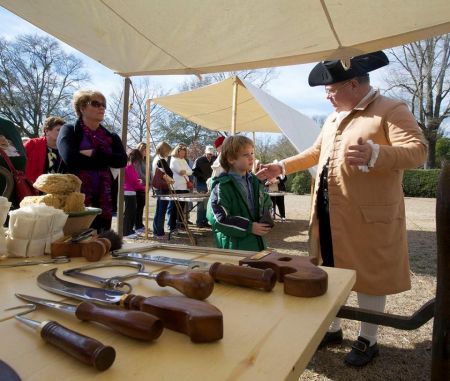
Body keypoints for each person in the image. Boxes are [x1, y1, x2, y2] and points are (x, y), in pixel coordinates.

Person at [258, 51, 427, 367]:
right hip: (329, 213)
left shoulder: (391, 110)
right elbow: (315, 152)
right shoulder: (334, 117)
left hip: (368, 217)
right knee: (328, 269)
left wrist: (377, 153)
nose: (327, 96)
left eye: (331, 90)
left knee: (369, 276)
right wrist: (280, 166)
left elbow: (418, 151)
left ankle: (368, 339)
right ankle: (332, 328)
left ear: (353, 84)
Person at [57, 90, 127, 232]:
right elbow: (70, 158)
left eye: (103, 105)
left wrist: (94, 153)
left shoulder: (111, 136)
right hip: (74, 199)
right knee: (74, 241)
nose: (101, 108)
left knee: (100, 243)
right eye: (95, 104)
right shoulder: (70, 130)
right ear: (82, 108)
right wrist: (106, 160)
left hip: (103, 201)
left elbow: (122, 161)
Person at [207, 135, 273, 251]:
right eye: (245, 154)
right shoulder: (222, 186)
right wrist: (249, 227)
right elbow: (218, 219)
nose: (251, 158)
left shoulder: (255, 182)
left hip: (257, 244)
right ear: (231, 159)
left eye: (252, 153)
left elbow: (265, 201)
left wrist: (266, 216)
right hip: (234, 247)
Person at [24, 116, 66, 183]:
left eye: (63, 131)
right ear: (47, 131)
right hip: (34, 188)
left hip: (58, 188)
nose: (62, 133)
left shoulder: (65, 148)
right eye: (58, 130)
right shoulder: (32, 144)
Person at [168, 143, 193, 233]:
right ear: (177, 152)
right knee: (174, 208)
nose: (183, 154)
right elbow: (179, 171)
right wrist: (185, 171)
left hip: (184, 187)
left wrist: (185, 171)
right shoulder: (174, 160)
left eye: (184, 152)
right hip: (176, 187)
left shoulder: (184, 160)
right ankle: (172, 226)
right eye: (181, 152)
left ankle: (180, 225)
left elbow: (190, 172)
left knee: (181, 208)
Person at [152, 141, 173, 239]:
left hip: (159, 188)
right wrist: (170, 180)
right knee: (161, 211)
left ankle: (156, 231)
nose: (168, 153)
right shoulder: (160, 160)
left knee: (159, 210)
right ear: (164, 150)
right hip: (162, 188)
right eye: (168, 151)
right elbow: (166, 174)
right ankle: (159, 233)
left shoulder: (157, 158)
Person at [123, 149, 146, 238]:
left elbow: (134, 180)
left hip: (130, 191)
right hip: (129, 191)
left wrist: (139, 182)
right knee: (129, 213)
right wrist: (141, 185)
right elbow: (133, 181)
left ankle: (129, 230)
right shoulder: (129, 166)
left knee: (131, 212)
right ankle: (127, 231)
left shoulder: (129, 166)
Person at [192, 145, 216, 227]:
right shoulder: (199, 160)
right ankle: (199, 222)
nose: (210, 155)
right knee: (201, 203)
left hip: (211, 184)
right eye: (208, 154)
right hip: (201, 183)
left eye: (211, 154)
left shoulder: (214, 159)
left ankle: (205, 221)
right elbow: (194, 171)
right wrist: (202, 176)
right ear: (205, 152)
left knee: (208, 203)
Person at [134, 142, 147, 233]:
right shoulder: (137, 160)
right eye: (144, 150)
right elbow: (138, 173)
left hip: (144, 187)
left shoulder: (144, 160)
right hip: (138, 187)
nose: (146, 152)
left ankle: (140, 224)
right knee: (138, 206)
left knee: (141, 206)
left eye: (147, 150)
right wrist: (146, 179)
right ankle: (137, 225)